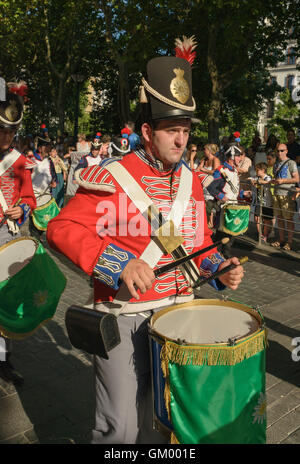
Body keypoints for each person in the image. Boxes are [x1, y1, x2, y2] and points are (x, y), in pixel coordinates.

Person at [47, 53, 245, 445]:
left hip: (179, 314)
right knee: (119, 427)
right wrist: (119, 263)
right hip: (123, 313)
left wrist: (219, 268)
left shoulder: (191, 182)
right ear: (147, 131)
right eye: (172, 130)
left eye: (186, 130)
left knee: (163, 420)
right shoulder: (113, 176)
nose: (181, 139)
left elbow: (197, 243)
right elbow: (60, 228)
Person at [0, 81, 36, 385]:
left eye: (11, 132)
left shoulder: (20, 162)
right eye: (2, 131)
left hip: (7, 237)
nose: (7, 137)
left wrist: (21, 209)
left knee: (6, 298)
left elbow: (29, 198)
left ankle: (3, 358)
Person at [207, 143, 251, 257]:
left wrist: (243, 193)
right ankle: (218, 254)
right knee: (222, 233)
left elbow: (233, 191)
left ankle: (223, 254)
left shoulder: (235, 171)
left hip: (233, 206)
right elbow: (211, 187)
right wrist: (222, 197)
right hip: (223, 207)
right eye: (238, 156)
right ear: (231, 157)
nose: (240, 158)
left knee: (230, 233)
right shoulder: (221, 170)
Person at [270, 143, 299, 251]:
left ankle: (289, 241)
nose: (279, 153)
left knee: (289, 219)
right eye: (278, 151)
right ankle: (281, 239)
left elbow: (296, 179)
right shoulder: (276, 164)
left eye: (282, 150)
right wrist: (274, 181)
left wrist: (283, 181)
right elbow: (276, 177)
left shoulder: (291, 163)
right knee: (280, 218)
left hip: (286, 194)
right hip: (277, 193)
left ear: (286, 151)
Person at [29, 139, 57, 240]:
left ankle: (38, 239)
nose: (49, 149)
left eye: (50, 147)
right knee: (34, 227)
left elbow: (53, 175)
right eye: (47, 146)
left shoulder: (49, 161)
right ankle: (34, 243)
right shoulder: (31, 160)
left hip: (46, 197)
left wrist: (54, 182)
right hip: (33, 198)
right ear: (40, 148)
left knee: (45, 222)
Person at [250, 162, 273, 243]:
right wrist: (252, 181)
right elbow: (250, 179)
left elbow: (267, 182)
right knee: (257, 218)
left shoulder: (268, 178)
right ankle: (260, 235)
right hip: (259, 201)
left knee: (267, 220)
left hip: (267, 202)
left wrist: (258, 181)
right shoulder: (256, 178)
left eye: (258, 170)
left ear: (263, 170)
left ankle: (265, 235)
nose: (256, 171)